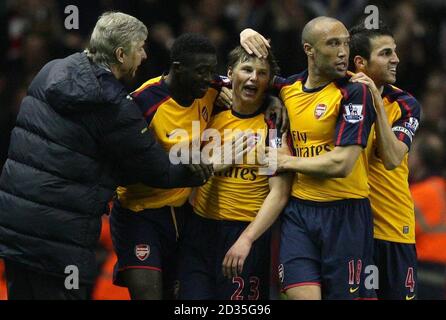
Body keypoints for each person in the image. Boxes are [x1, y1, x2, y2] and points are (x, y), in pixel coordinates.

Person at [0, 12, 212, 300]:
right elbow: (159, 171)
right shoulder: (113, 105)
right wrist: (201, 168)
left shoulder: (51, 69)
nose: (145, 55)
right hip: (61, 236)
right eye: (140, 48)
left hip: (14, 224)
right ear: (121, 54)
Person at [240, 16, 376, 299]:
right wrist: (247, 31)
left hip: (346, 214)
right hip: (299, 214)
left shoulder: (355, 92)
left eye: (346, 44)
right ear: (309, 49)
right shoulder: (288, 89)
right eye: (333, 43)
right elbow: (230, 81)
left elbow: (342, 163)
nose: (343, 52)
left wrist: (286, 162)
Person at [177, 46, 292, 300]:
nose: (253, 78)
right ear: (231, 74)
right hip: (199, 230)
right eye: (247, 70)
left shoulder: (273, 128)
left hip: (244, 233)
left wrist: (247, 240)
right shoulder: (209, 115)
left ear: (268, 81)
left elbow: (279, 194)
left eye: (262, 73)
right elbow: (184, 160)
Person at [348, 21, 422, 300]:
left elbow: (392, 158)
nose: (396, 59)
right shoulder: (337, 96)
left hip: (393, 228)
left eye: (395, 52)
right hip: (351, 230)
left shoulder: (405, 104)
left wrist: (377, 104)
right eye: (386, 53)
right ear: (360, 62)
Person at [409, 130, 446, 299]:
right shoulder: (441, 186)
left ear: (420, 160)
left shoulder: (418, 193)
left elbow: (404, 232)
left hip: (423, 271)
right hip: (440, 274)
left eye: (411, 152)